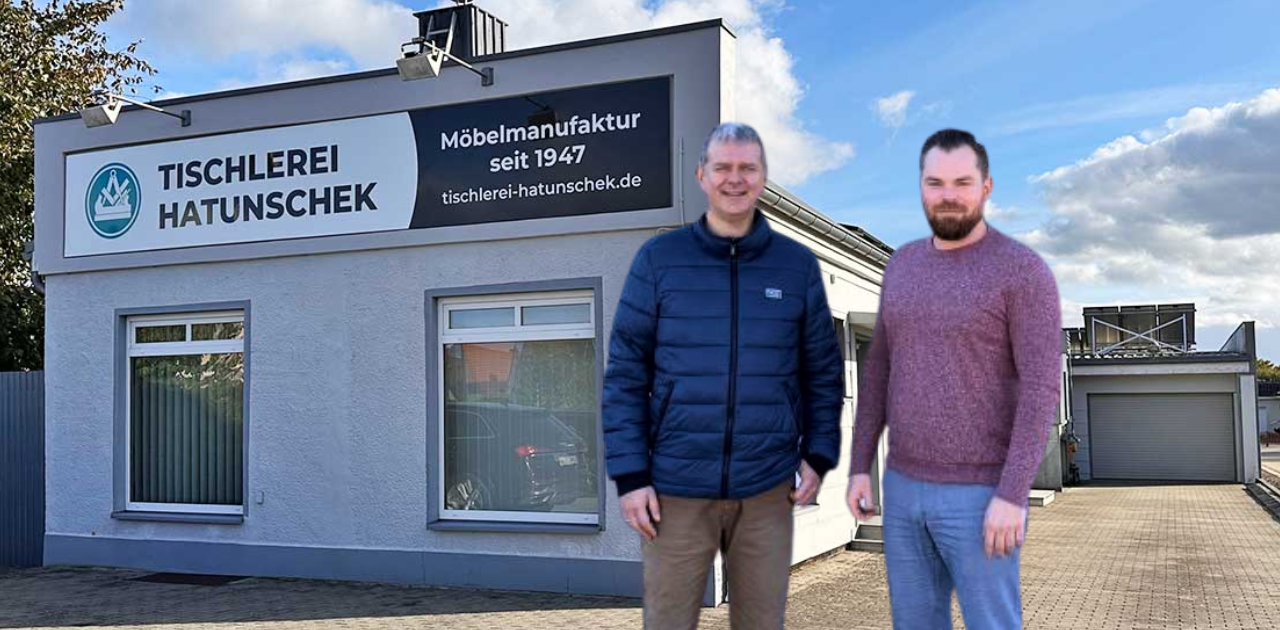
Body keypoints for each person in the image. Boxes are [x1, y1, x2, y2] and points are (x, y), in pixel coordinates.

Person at [603, 122, 844, 629]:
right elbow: (625, 374)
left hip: (765, 488)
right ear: (702, 175)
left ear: (761, 177)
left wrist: (818, 454)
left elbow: (821, 371)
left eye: (747, 168)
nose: (735, 179)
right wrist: (631, 477)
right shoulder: (659, 261)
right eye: (723, 168)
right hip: (674, 488)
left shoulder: (795, 266)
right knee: (668, 622)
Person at [846, 129, 1062, 630]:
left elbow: (1040, 389)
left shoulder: (1022, 271)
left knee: (993, 623)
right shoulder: (901, 266)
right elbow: (879, 367)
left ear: (985, 187)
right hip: (901, 490)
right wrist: (860, 463)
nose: (948, 195)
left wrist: (1012, 492)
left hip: (980, 493)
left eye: (962, 181)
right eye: (935, 182)